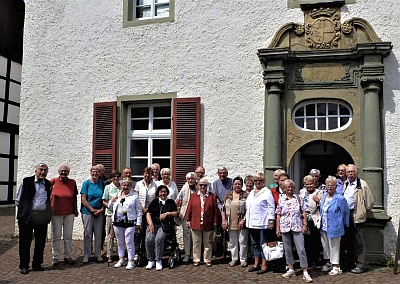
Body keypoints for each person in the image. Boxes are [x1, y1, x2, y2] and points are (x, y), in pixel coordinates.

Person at [16, 163, 52, 274]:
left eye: (45, 170)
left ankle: (37, 264)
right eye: (41, 169)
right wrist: (24, 212)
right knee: (25, 242)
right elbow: (18, 200)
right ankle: (24, 265)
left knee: (40, 242)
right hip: (27, 217)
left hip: (41, 216)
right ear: (35, 170)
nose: (43, 172)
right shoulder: (26, 181)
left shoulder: (48, 183)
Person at [276, 179, 313, 283]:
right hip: (285, 226)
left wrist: (305, 224)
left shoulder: (298, 198)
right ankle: (291, 268)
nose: (290, 189)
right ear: (284, 188)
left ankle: (305, 270)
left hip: (297, 226)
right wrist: (277, 228)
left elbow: (304, 212)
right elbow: (278, 214)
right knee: (287, 249)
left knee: (301, 249)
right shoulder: (281, 199)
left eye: (291, 187)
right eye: (288, 187)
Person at [343, 164, 374, 274]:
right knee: (349, 241)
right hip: (347, 216)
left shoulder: (362, 184)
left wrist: (363, 212)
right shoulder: (346, 184)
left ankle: (361, 265)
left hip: (357, 215)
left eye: (352, 172)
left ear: (356, 173)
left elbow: (370, 202)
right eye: (348, 172)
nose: (350, 174)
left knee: (359, 241)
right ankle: (350, 263)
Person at [316, 176, 349, 276]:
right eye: (328, 185)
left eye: (332, 185)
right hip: (324, 226)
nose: (330, 187)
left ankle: (336, 266)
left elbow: (345, 212)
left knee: (334, 246)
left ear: (336, 186)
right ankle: (329, 263)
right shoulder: (325, 196)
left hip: (335, 226)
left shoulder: (340, 198)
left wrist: (343, 224)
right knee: (326, 246)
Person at [108, 178, 142, 270]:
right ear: (121, 186)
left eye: (127, 185)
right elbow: (110, 207)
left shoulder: (134, 196)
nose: (125, 187)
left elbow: (139, 211)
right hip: (117, 222)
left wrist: (138, 223)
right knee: (119, 241)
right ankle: (121, 259)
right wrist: (112, 201)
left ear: (131, 186)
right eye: (124, 185)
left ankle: (131, 261)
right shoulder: (118, 195)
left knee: (129, 242)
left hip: (130, 222)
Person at [246, 172, 275, 274]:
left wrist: (271, 221)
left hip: (262, 223)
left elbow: (271, 208)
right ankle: (255, 264)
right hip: (252, 223)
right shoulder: (251, 192)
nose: (257, 182)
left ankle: (264, 265)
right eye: (256, 181)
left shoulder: (267, 192)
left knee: (263, 245)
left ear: (264, 181)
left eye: (260, 181)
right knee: (255, 244)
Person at [185, 178, 218, 267]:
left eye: (205, 185)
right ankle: (196, 259)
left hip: (208, 222)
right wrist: (188, 220)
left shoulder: (212, 196)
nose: (203, 187)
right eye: (201, 185)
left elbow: (215, 211)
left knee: (207, 243)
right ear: (198, 186)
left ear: (207, 186)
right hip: (195, 222)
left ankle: (207, 259)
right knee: (196, 242)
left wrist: (215, 222)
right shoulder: (193, 196)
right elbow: (189, 208)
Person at [50, 165, 78, 266]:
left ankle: (67, 256)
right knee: (56, 236)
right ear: (58, 172)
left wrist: (75, 209)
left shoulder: (72, 182)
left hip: (69, 212)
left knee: (68, 236)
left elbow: (74, 196)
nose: (63, 173)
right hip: (56, 213)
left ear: (68, 172)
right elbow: (46, 195)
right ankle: (55, 257)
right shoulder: (53, 181)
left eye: (66, 171)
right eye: (62, 171)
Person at [145, 185, 178, 271]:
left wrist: (167, 213)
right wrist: (150, 224)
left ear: (167, 193)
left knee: (158, 239)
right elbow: (148, 213)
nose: (162, 193)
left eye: (164, 191)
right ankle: (151, 260)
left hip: (165, 226)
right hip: (154, 224)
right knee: (149, 239)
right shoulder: (154, 202)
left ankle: (158, 260)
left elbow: (175, 213)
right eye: (161, 191)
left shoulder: (170, 202)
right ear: (158, 193)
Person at [221, 176, 249, 267]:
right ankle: (234, 258)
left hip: (242, 222)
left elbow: (249, 209)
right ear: (232, 185)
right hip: (231, 222)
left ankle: (243, 259)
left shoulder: (246, 195)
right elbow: (223, 208)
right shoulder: (228, 195)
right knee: (233, 241)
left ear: (242, 185)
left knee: (242, 241)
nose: (237, 185)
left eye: (239, 184)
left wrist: (243, 220)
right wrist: (224, 220)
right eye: (235, 184)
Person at [81, 165, 106, 263]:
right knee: (87, 234)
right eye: (93, 172)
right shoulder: (86, 183)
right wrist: (92, 210)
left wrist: (101, 209)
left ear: (100, 173)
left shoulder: (103, 184)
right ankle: (87, 254)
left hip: (99, 212)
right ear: (90, 172)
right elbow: (84, 199)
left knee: (98, 233)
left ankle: (98, 254)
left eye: (97, 172)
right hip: (87, 212)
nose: (95, 174)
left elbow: (105, 198)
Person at [300, 175, 324, 267]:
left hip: (315, 219)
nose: (309, 186)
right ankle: (307, 260)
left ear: (314, 184)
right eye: (307, 184)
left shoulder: (319, 192)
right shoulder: (302, 192)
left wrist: (318, 201)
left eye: (311, 184)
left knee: (315, 240)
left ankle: (315, 260)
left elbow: (324, 205)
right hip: (304, 219)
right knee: (306, 241)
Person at [175, 172, 198, 262]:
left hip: (196, 214)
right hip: (186, 214)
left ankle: (195, 255)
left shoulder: (199, 187)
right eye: (189, 179)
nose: (190, 181)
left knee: (195, 235)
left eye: (192, 179)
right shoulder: (184, 188)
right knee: (186, 235)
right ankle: (187, 254)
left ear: (195, 180)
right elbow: (178, 199)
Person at [102, 169, 122, 263]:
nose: (116, 178)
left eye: (118, 176)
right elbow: (104, 201)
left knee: (120, 234)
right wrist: (110, 205)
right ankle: (109, 254)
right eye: (114, 176)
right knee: (110, 234)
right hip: (110, 214)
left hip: (121, 214)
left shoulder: (122, 187)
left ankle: (119, 254)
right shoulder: (108, 188)